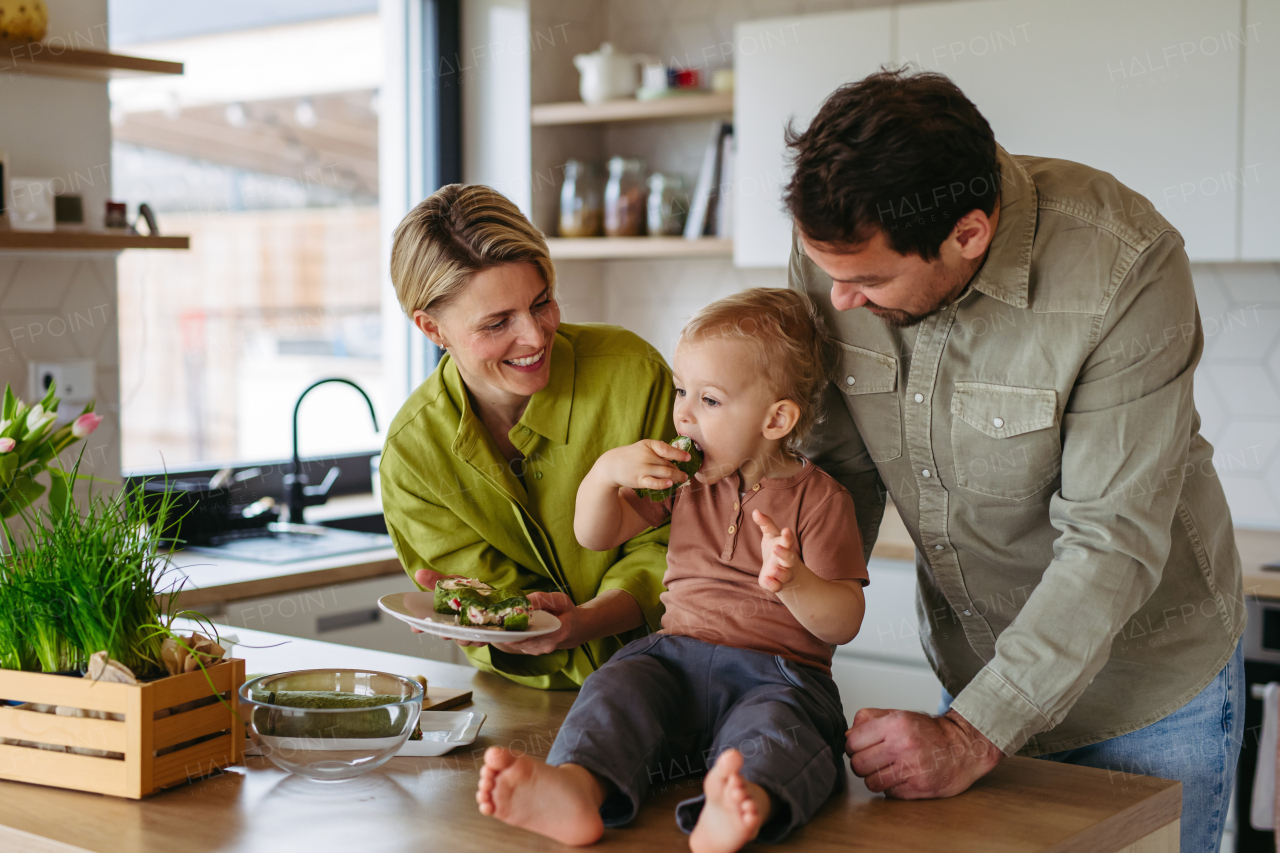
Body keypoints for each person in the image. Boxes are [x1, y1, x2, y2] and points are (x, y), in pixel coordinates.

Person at [785, 68, 1244, 852]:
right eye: (828, 273)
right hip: (976, 676)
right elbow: (837, 473)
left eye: (866, 280)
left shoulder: (1122, 265)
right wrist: (774, 658)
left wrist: (971, 732)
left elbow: (1111, 540)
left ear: (968, 234)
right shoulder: (845, 249)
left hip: (1147, 698)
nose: (839, 303)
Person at [474, 288, 869, 852]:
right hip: (675, 657)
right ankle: (576, 789)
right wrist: (606, 474)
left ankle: (742, 804)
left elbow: (844, 621)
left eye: (709, 400)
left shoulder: (823, 500)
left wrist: (796, 583)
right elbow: (596, 533)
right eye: (682, 390)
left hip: (778, 674)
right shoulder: (684, 480)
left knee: (781, 730)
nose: (682, 412)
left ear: (777, 418)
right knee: (617, 687)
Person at [378, 184, 678, 689]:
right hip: (523, 699)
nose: (537, 337)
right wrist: (488, 614)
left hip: (672, 681)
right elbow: (498, 603)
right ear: (432, 329)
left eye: (542, 303)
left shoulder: (633, 373)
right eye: (497, 324)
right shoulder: (412, 457)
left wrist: (584, 620)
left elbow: (674, 541)